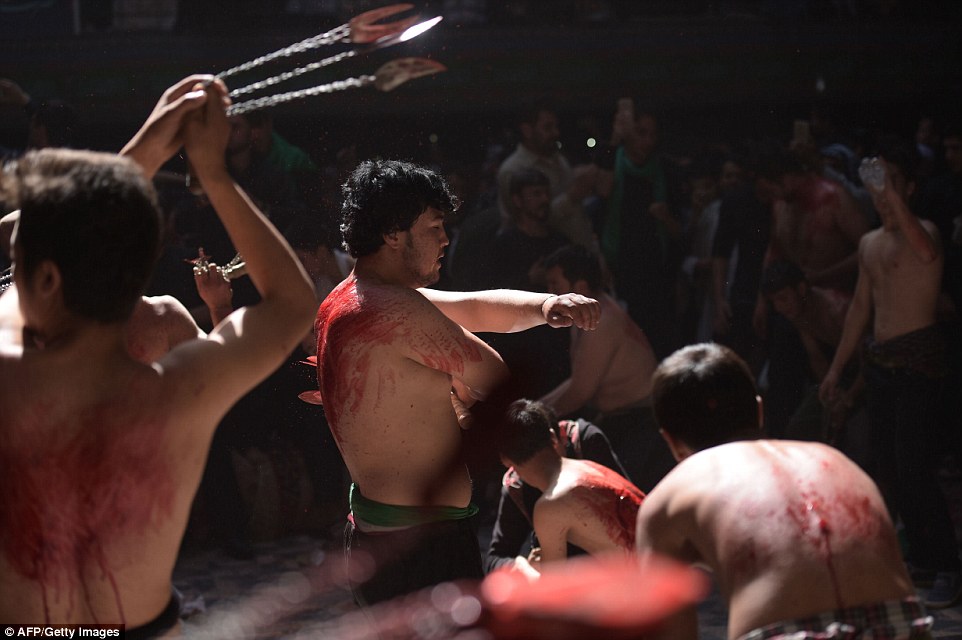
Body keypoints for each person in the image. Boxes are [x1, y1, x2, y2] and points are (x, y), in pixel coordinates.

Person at [0, 76, 317, 630]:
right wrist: (212, 175)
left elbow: (44, 232)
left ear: (45, 276)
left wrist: (148, 144)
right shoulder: (179, 390)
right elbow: (292, 303)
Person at [314, 158, 600, 607]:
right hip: (421, 553)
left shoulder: (347, 298)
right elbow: (495, 376)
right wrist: (462, 398)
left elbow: (473, 306)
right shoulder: (391, 312)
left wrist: (547, 305)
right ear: (392, 233)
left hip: (382, 536)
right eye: (433, 227)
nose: (445, 239)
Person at [636, 343, 931, 640]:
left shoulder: (673, 493)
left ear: (670, 440)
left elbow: (664, 629)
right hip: (898, 624)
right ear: (760, 410)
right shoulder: (834, 460)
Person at [820, 148, 961, 609]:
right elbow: (861, 308)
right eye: (876, 188)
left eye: (892, 185)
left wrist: (892, 196)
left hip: (919, 361)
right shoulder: (869, 244)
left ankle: (948, 566)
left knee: (916, 464)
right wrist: (837, 370)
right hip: (880, 364)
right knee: (890, 469)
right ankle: (921, 558)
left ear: (908, 190)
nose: (881, 196)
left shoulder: (929, 233)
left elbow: (927, 252)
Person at [539, 243, 675, 492]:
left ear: (579, 287)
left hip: (641, 424)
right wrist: (537, 407)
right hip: (622, 420)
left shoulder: (602, 322)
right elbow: (578, 380)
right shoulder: (583, 317)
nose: (549, 293)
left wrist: (533, 417)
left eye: (554, 285)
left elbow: (580, 392)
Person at [498, 399, 644, 572]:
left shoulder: (550, 504)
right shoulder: (588, 466)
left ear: (506, 461)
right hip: (665, 564)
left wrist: (523, 566)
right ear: (553, 436)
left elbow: (552, 588)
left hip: (647, 583)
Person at [495, 101, 599, 251]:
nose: (556, 133)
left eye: (556, 126)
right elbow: (524, 224)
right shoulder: (513, 169)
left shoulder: (558, 159)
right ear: (527, 130)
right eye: (547, 127)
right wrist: (571, 196)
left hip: (582, 249)